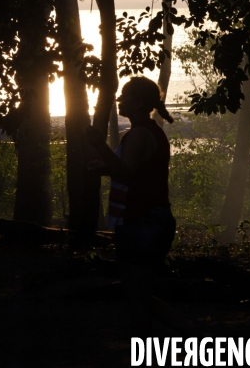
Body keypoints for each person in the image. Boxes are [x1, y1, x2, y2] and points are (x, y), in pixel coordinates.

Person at [86, 76, 190, 339]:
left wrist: (99, 145)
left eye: (125, 96)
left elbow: (126, 174)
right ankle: (194, 334)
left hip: (141, 222)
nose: (119, 100)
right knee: (140, 294)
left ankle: (143, 351)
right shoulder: (149, 132)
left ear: (139, 103)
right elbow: (135, 171)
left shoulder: (139, 134)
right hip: (154, 220)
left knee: (137, 298)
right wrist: (105, 167)